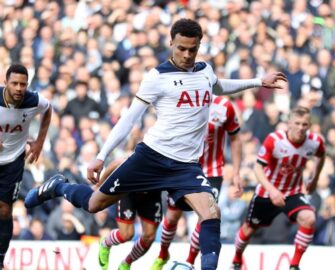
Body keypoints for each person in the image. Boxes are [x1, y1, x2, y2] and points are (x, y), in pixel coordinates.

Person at [24, 18, 286, 270]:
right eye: (181, 48)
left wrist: (257, 81)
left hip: (186, 167)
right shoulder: (157, 76)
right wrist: (102, 155)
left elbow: (218, 87)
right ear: (171, 43)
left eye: (192, 49)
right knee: (94, 204)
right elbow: (129, 119)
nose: (186, 54)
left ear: (199, 46)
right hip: (150, 158)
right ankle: (58, 186)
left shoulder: (205, 70)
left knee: (211, 212)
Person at [151, 95, 242, 269]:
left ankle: (189, 261)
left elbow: (236, 138)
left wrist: (236, 172)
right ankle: (163, 253)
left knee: (208, 213)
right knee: (172, 216)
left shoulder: (224, 106)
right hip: (185, 168)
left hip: (212, 171)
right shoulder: (182, 101)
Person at [230, 106, 326, 270]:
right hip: (267, 192)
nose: (301, 128)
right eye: (297, 123)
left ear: (309, 125)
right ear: (289, 123)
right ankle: (236, 259)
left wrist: (315, 178)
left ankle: (294, 265)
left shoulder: (315, 142)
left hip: (292, 192)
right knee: (248, 229)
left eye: (305, 124)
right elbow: (258, 168)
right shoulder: (274, 140)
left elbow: (321, 156)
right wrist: (272, 190)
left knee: (309, 218)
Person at [0, 64, 52, 269]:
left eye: (23, 84)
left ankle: (1, 258)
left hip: (13, 161)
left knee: (4, 211)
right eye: (14, 83)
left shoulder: (34, 100)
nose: (19, 88)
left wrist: (40, 141)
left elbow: (48, 110)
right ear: (5, 83)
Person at [97, 159, 163, 270]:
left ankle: (127, 263)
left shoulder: (167, 153)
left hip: (151, 193)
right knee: (126, 235)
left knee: (149, 237)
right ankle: (105, 243)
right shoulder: (140, 153)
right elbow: (116, 163)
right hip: (128, 191)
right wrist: (100, 185)